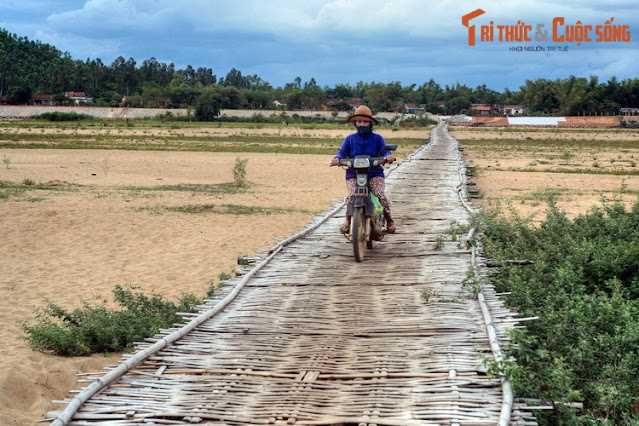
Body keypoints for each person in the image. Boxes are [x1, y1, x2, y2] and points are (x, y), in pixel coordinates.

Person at [329, 105, 396, 235]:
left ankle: (390, 220)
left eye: (365, 121)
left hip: (374, 173)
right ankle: (348, 221)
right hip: (353, 174)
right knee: (351, 197)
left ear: (370, 123)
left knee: (380, 195)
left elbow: (385, 151)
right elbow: (341, 152)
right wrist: (337, 159)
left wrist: (388, 157)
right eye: (359, 121)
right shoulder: (349, 139)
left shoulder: (377, 138)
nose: (362, 124)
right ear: (355, 123)